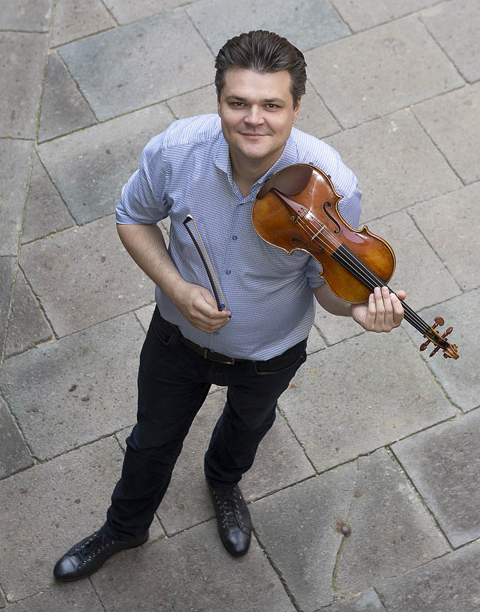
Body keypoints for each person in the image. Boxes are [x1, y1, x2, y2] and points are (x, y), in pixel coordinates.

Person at [53, 30, 404, 582]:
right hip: (176, 339)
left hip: (269, 351)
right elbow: (132, 217)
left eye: (272, 105)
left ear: (296, 107)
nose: (253, 119)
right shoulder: (176, 149)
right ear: (218, 99)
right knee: (150, 442)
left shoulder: (331, 182)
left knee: (247, 427)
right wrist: (176, 287)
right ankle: (124, 527)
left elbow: (326, 284)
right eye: (238, 102)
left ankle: (223, 483)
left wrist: (356, 310)